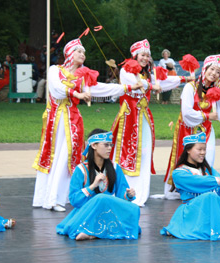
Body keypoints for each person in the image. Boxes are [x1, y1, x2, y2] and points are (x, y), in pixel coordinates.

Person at [32, 38, 142, 212]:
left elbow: (101, 88)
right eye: (79, 51)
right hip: (57, 119)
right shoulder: (55, 70)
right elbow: (56, 89)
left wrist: (127, 88)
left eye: (83, 52)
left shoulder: (82, 78)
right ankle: (48, 198)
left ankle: (62, 197)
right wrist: (77, 93)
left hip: (73, 120)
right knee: (53, 156)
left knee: (69, 156)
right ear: (69, 53)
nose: (82, 54)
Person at [111, 39, 192, 207]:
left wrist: (186, 78)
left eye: (148, 55)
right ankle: (123, 191)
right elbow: (134, 84)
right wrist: (150, 85)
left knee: (145, 153)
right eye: (142, 55)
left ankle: (140, 192)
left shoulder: (149, 73)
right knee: (126, 153)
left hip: (143, 118)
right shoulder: (127, 69)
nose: (145, 58)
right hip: (128, 118)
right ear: (135, 55)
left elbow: (163, 82)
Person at [163, 55, 220, 200]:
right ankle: (179, 190)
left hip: (206, 132)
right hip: (187, 131)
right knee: (183, 161)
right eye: (212, 69)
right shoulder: (190, 87)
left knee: (207, 159)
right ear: (205, 69)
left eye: (218, 71)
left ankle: (202, 189)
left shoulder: (215, 92)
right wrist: (206, 116)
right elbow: (186, 112)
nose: (214, 73)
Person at [160, 132, 220, 240]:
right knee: (210, 196)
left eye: (204, 149)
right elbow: (200, 182)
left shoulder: (208, 170)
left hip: (207, 211)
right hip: (191, 213)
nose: (203, 152)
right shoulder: (179, 173)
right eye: (199, 149)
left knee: (211, 197)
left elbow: (218, 187)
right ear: (188, 150)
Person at [56, 129, 140, 240]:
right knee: (101, 198)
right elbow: (74, 200)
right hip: (87, 212)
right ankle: (96, 232)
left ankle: (92, 234)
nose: (109, 148)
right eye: (106, 145)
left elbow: (121, 194)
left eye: (111, 145)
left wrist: (128, 195)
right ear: (94, 146)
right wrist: (92, 186)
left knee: (134, 209)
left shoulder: (115, 168)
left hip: (108, 210)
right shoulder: (81, 170)